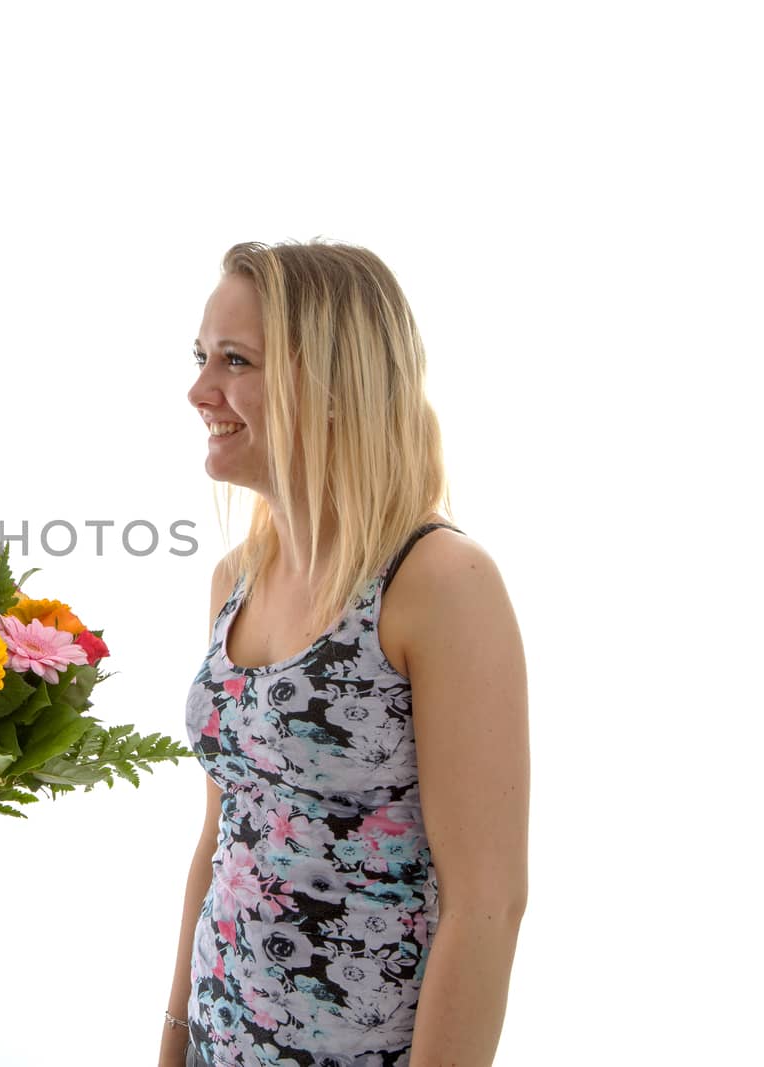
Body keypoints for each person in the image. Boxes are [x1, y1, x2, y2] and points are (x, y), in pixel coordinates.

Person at [160, 242, 528, 1066]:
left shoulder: (439, 581)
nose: (198, 390)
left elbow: (487, 905)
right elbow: (222, 836)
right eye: (200, 357)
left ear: (328, 385)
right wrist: (172, 1039)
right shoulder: (235, 579)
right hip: (219, 1044)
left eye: (234, 360)